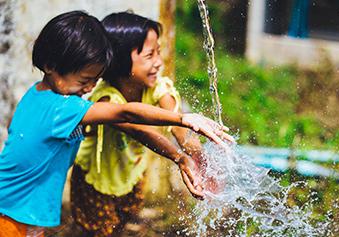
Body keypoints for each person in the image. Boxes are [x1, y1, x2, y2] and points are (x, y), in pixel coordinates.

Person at [0, 10, 230, 237]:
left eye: (94, 80)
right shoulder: (62, 108)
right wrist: (183, 118)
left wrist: (186, 154)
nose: (89, 88)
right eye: (84, 80)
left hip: (20, 210)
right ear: (50, 66)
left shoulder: (37, 96)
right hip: (11, 213)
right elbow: (126, 114)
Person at [69, 11, 227, 237]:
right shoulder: (106, 98)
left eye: (159, 52)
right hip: (95, 181)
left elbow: (178, 126)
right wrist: (179, 158)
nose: (159, 63)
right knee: (98, 232)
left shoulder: (156, 87)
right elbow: (139, 129)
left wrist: (199, 159)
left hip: (132, 173)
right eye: (150, 55)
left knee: (122, 223)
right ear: (122, 60)